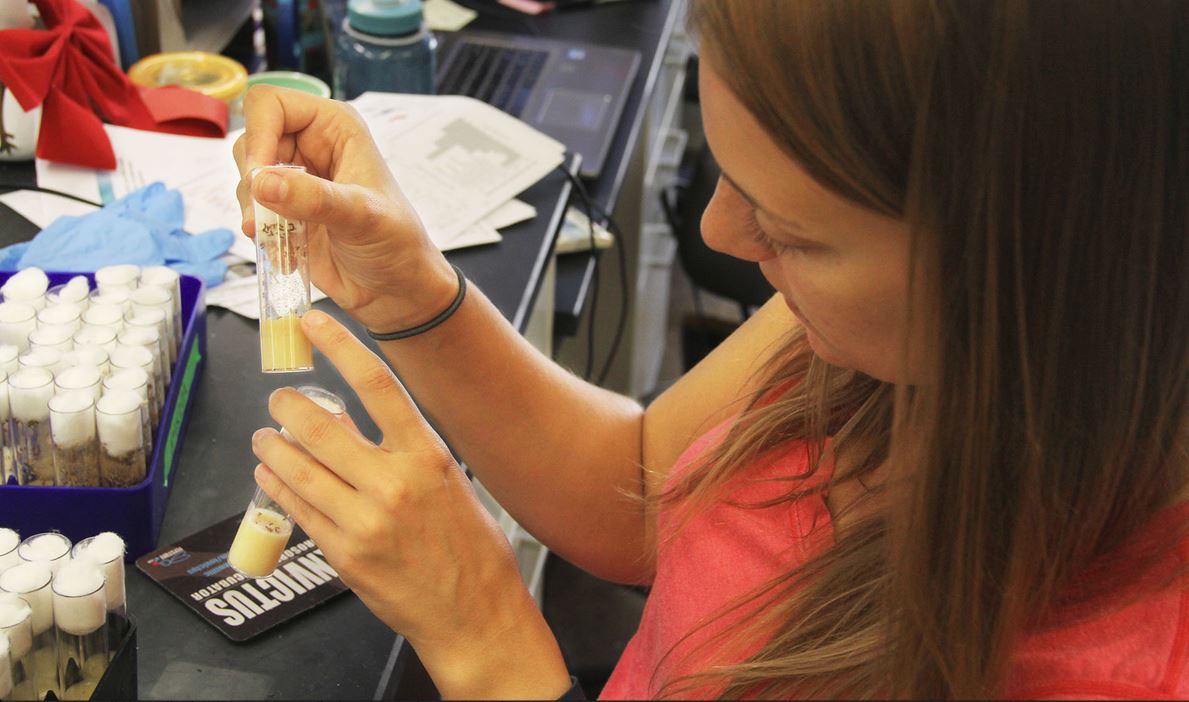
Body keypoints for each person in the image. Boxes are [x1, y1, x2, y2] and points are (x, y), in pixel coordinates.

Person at [232, 1, 1188, 698]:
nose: (726, 236)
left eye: (795, 231)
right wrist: (410, 289)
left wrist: (489, 645)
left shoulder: (1118, 668)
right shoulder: (887, 340)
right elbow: (644, 493)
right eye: (731, 177)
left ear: (1030, 269)